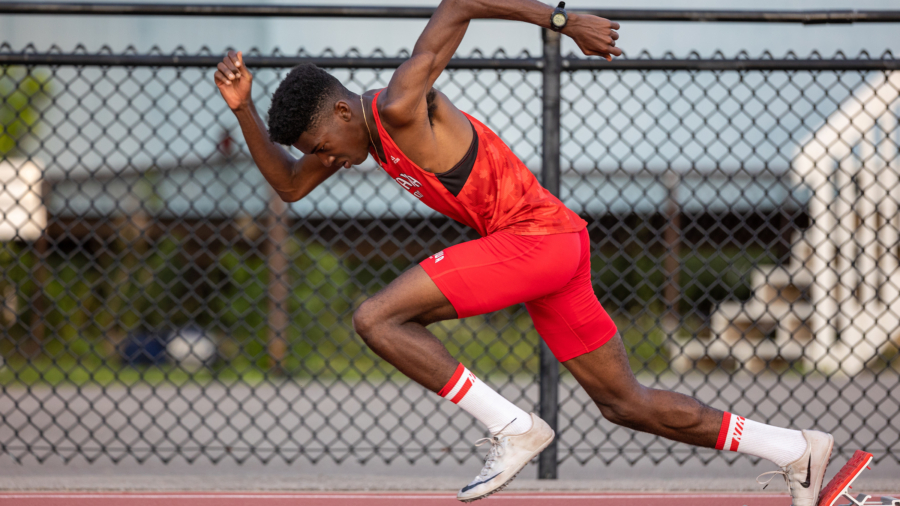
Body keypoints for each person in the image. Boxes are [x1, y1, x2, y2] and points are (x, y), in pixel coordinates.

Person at [213, 0, 833, 503]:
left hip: (535, 241)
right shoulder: (362, 140)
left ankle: (513, 428)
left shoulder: (399, 104)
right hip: (554, 251)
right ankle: (796, 450)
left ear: (344, 111)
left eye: (321, 144)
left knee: (375, 317)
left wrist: (565, 21)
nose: (324, 159)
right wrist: (242, 113)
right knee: (624, 404)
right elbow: (290, 185)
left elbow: (460, 3)